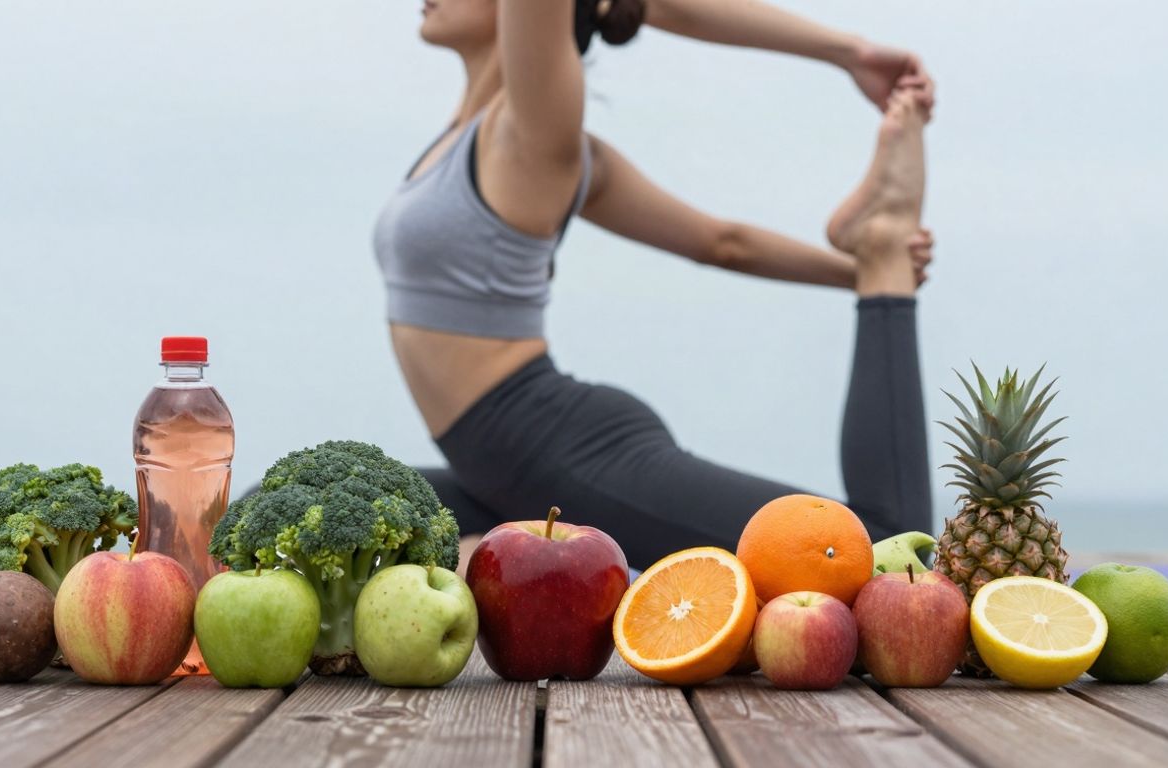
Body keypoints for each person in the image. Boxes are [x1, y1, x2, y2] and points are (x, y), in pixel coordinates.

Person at [373, 0, 937, 570]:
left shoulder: (533, 132)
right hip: (493, 469)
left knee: (883, 552)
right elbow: (722, 243)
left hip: (557, 453)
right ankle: (876, 251)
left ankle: (884, 234)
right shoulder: (468, 138)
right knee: (303, 511)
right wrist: (853, 270)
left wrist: (883, 272)